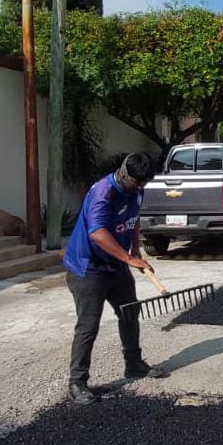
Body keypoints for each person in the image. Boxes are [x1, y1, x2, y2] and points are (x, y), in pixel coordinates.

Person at [62, 153, 167, 405]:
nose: (140, 187)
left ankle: (134, 364)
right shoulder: (103, 193)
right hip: (88, 268)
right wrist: (129, 260)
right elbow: (98, 233)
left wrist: (135, 251)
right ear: (125, 173)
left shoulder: (136, 190)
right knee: (88, 326)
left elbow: (134, 218)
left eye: (144, 184)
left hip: (116, 265)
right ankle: (77, 382)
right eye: (137, 182)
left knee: (130, 312)